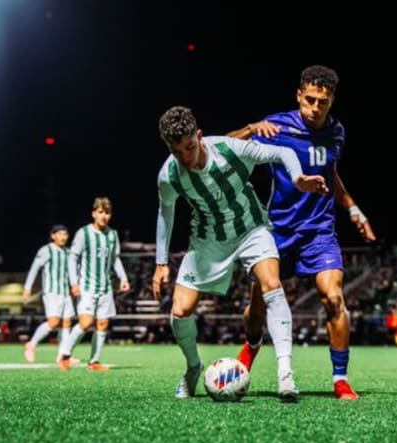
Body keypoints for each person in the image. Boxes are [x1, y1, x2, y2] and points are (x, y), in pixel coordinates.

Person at [152, 105, 328, 401]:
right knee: (180, 310)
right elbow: (165, 213)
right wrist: (160, 262)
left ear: (199, 136)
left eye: (189, 147)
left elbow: (281, 153)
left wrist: (298, 178)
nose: (185, 157)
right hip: (208, 239)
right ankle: (193, 368)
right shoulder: (169, 175)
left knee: (272, 285)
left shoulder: (228, 149)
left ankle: (285, 374)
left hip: (250, 229)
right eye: (176, 150)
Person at [227, 64, 376, 400]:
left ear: (332, 100)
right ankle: (252, 345)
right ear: (298, 95)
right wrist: (251, 129)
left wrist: (353, 209)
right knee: (257, 308)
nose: (314, 107)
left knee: (334, 298)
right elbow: (223, 146)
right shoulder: (277, 125)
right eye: (309, 99)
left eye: (322, 101)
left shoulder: (336, 132)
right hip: (276, 229)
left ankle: (339, 378)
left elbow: (331, 173)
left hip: (318, 230)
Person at [57, 197, 130, 371]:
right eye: (100, 212)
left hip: (105, 287)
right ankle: (65, 355)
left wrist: (123, 278)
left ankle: (94, 362)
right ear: (93, 214)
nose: (104, 216)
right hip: (87, 287)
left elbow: (114, 259)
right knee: (85, 322)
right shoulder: (84, 233)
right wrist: (73, 283)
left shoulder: (113, 235)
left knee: (102, 324)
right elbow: (73, 257)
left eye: (107, 212)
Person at [22, 224, 79, 365]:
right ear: (53, 236)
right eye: (60, 234)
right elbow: (34, 268)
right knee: (53, 322)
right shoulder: (46, 250)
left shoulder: (68, 252)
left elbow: (73, 271)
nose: (63, 237)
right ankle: (31, 344)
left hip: (65, 293)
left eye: (65, 234)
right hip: (51, 292)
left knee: (66, 323)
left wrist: (74, 285)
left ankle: (62, 356)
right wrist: (27, 287)